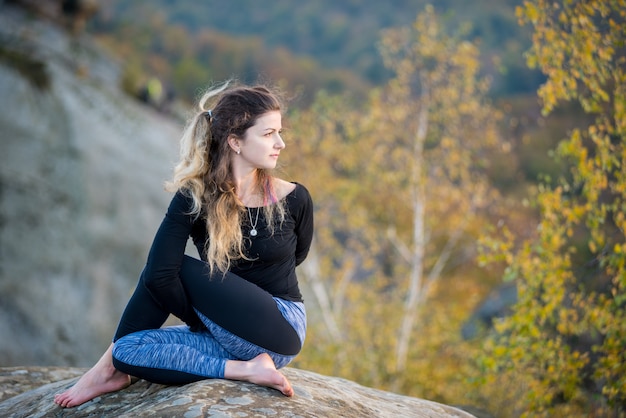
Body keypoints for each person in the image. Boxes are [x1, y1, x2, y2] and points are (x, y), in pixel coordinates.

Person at [54, 82, 314, 408]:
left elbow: (296, 258)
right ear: (235, 141)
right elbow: (159, 278)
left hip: (279, 327)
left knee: (171, 266)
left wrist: (207, 310)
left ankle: (102, 370)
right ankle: (243, 370)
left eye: (279, 132)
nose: (281, 143)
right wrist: (208, 317)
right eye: (268, 134)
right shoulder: (194, 197)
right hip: (226, 331)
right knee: (128, 350)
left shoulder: (294, 198)